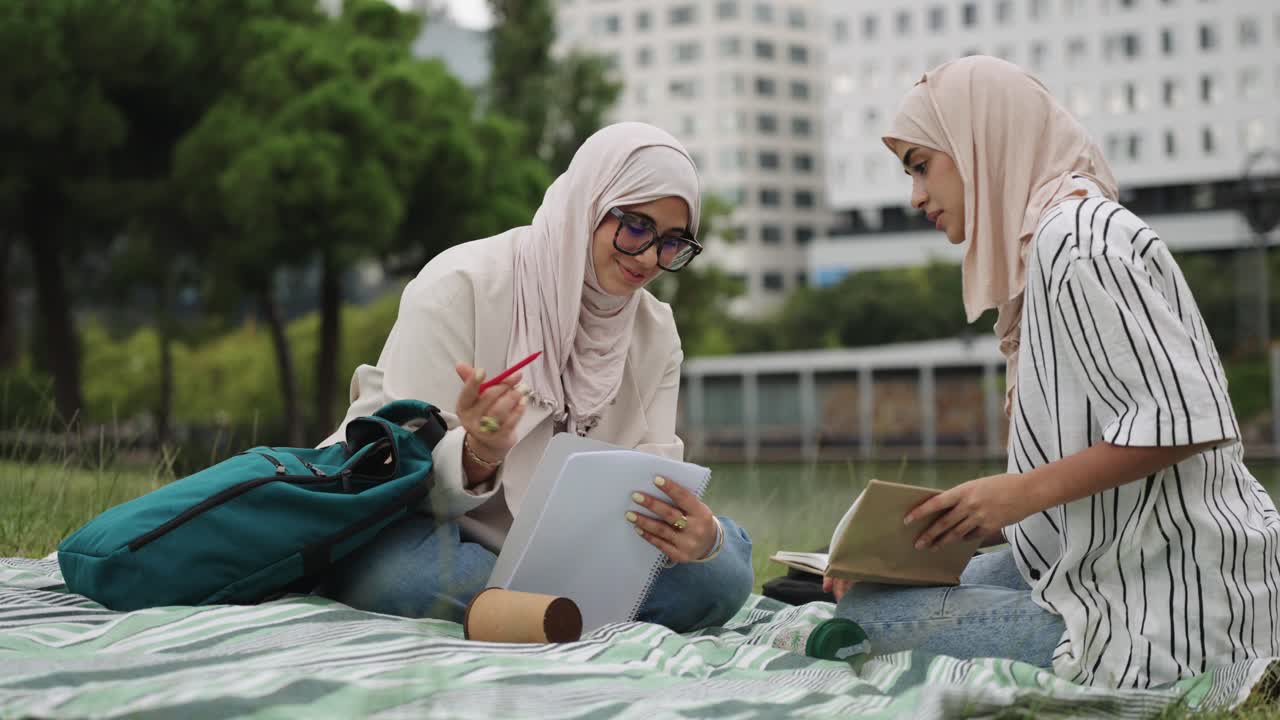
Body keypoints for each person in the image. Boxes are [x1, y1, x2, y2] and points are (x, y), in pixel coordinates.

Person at [827, 56, 1280, 688]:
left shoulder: (1074, 242)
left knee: (866, 620)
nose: (916, 196)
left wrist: (1014, 495)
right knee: (878, 590)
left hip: (1167, 604)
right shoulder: (1051, 243)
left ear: (980, 141)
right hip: (1116, 555)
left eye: (922, 165)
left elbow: (1187, 420)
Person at [315, 122, 753, 633]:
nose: (650, 258)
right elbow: (392, 472)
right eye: (636, 226)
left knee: (722, 571)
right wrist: (478, 453)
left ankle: (530, 614)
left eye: (673, 242)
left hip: (580, 555)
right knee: (394, 575)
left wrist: (696, 535)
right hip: (441, 532)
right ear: (591, 202)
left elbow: (651, 487)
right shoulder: (461, 284)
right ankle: (567, 613)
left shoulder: (654, 331)